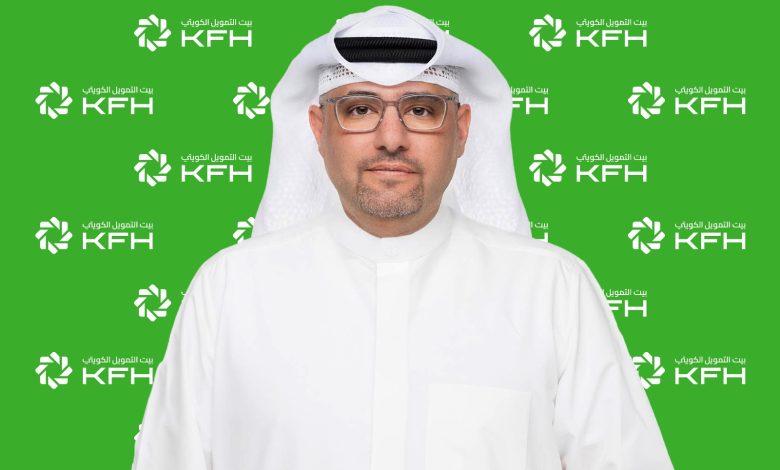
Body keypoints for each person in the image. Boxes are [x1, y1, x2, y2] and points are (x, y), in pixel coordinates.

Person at [132, 6, 674, 469]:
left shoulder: (552, 289)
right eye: (359, 109)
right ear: (319, 129)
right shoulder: (229, 290)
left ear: (461, 129)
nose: (391, 138)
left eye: (420, 110)